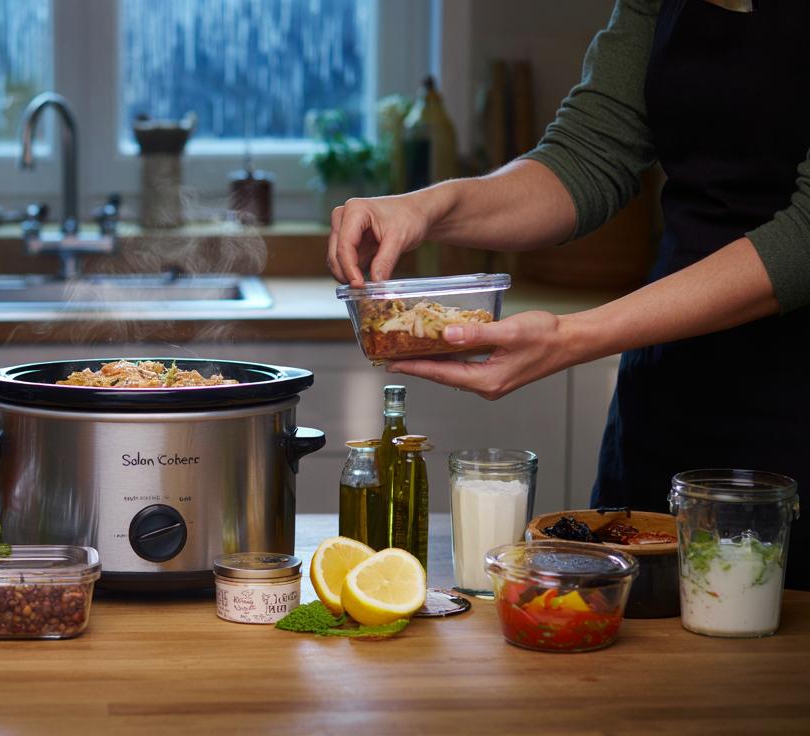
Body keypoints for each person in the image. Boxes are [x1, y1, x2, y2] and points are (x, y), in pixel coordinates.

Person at [326, 0, 810, 587]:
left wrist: (574, 336)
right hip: (669, 386)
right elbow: (587, 156)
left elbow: (802, 239)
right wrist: (426, 208)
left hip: (791, 408)